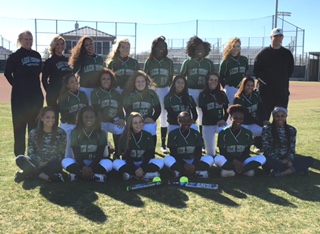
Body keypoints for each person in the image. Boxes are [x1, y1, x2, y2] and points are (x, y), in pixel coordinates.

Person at [4, 30, 43, 156]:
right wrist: (17, 86)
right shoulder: (15, 56)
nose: (29, 41)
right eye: (26, 39)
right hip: (20, 99)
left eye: (30, 39)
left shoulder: (37, 55)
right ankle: (20, 156)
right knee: (20, 127)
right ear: (20, 40)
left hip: (36, 97)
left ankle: (33, 154)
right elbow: (7, 73)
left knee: (35, 128)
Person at [15, 107, 67, 183]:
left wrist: (46, 161)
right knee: (20, 159)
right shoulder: (33, 133)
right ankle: (48, 178)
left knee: (55, 165)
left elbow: (61, 153)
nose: (51, 120)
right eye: (47, 117)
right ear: (42, 118)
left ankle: (28, 173)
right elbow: (31, 152)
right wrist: (40, 162)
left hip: (52, 164)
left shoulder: (61, 132)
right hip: (36, 162)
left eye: (53, 117)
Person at [61, 106, 113, 182]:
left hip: (96, 162)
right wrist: (84, 167)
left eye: (92, 117)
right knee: (65, 161)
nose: (89, 119)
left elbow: (100, 154)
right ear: (81, 118)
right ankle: (95, 176)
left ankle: (78, 175)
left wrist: (91, 167)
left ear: (96, 118)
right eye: (86, 117)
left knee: (108, 163)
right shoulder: (75, 132)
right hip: (80, 162)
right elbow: (76, 153)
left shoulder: (101, 133)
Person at [253, 28, 294, 119]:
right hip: (265, 93)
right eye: (275, 36)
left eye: (280, 36)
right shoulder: (263, 53)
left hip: (281, 92)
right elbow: (256, 71)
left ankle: (278, 134)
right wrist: (265, 82)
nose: (278, 39)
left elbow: (290, 71)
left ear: (282, 38)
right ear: (271, 37)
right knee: (263, 119)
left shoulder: (287, 54)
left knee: (280, 120)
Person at [215, 104, 266, 177]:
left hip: (243, 160)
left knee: (262, 157)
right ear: (230, 118)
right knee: (217, 158)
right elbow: (223, 152)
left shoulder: (247, 133)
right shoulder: (223, 133)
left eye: (241, 118)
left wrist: (239, 162)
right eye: (235, 118)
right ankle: (244, 170)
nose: (238, 121)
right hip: (228, 161)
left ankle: (235, 170)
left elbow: (246, 152)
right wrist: (234, 161)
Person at [261, 107, 313, 177]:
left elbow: (292, 148)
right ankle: (296, 170)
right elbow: (266, 149)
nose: (280, 118)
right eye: (277, 116)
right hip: (273, 159)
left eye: (282, 116)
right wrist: (280, 161)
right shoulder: (267, 129)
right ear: (273, 117)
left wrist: (288, 160)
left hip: (287, 158)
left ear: (286, 116)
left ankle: (281, 173)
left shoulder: (291, 129)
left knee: (310, 160)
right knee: (265, 161)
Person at [180, 36, 215, 141]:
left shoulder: (209, 63)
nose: (200, 51)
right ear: (192, 50)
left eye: (202, 49)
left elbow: (213, 78)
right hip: (190, 90)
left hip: (204, 92)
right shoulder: (187, 62)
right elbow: (181, 77)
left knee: (203, 115)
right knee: (190, 114)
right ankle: (189, 137)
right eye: (197, 49)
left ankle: (202, 139)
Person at [144, 36, 174, 154]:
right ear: (154, 48)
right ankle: (147, 142)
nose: (161, 48)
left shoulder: (169, 62)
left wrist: (167, 88)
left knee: (164, 116)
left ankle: (163, 144)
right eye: (159, 46)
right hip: (152, 90)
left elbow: (170, 78)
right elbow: (145, 77)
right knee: (150, 114)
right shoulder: (149, 61)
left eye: (163, 46)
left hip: (164, 89)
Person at [113, 112, 164, 180]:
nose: (138, 125)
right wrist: (135, 169)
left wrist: (141, 168)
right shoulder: (124, 136)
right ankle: (146, 174)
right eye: (135, 123)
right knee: (115, 163)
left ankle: (131, 175)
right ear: (131, 124)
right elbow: (126, 156)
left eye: (140, 122)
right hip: (130, 163)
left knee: (160, 162)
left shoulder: (148, 135)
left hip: (143, 162)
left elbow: (149, 155)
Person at [164, 111, 214, 178]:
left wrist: (193, 165)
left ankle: (181, 172)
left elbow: (198, 152)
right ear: (179, 121)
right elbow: (173, 153)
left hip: (192, 160)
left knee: (210, 158)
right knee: (167, 159)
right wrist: (184, 164)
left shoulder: (196, 133)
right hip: (179, 161)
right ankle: (196, 172)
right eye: (183, 121)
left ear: (191, 121)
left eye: (188, 121)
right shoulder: (173, 134)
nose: (186, 123)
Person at [91, 68, 125, 159]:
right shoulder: (96, 92)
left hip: (113, 121)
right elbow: (98, 112)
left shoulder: (116, 93)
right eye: (103, 79)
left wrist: (122, 119)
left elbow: (120, 109)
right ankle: (108, 148)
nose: (106, 81)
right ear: (100, 80)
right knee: (104, 154)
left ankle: (118, 152)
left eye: (108, 79)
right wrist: (113, 121)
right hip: (101, 122)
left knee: (121, 129)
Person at [122, 70, 161, 144]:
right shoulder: (129, 94)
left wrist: (152, 118)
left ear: (146, 82)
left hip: (147, 120)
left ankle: (151, 151)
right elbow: (128, 110)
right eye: (138, 81)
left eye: (143, 81)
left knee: (150, 128)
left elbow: (158, 109)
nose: (141, 84)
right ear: (134, 82)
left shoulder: (152, 93)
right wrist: (137, 122)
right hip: (134, 121)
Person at [233, 76, 270, 149]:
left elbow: (261, 108)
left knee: (268, 131)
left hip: (254, 124)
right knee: (243, 146)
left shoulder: (255, 95)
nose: (250, 87)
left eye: (252, 85)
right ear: (243, 85)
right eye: (248, 85)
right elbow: (245, 116)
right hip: (244, 125)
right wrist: (259, 122)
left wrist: (265, 120)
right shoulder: (238, 98)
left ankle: (264, 148)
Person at [198, 72, 229, 156]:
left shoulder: (222, 94)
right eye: (211, 80)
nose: (213, 82)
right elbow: (205, 112)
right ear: (207, 81)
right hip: (208, 124)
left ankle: (225, 156)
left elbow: (227, 110)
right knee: (210, 153)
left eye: (215, 80)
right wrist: (217, 121)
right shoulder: (202, 94)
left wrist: (224, 119)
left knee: (228, 134)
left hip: (220, 124)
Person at [58, 73, 88, 158]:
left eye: (75, 80)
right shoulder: (64, 97)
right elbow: (65, 115)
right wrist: (78, 121)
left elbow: (86, 109)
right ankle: (68, 164)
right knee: (68, 148)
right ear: (67, 85)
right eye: (72, 82)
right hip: (68, 125)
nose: (75, 83)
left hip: (80, 124)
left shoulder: (82, 94)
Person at [68, 36, 104, 103]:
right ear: (83, 47)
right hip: (85, 89)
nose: (89, 46)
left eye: (90, 43)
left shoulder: (100, 58)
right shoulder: (81, 58)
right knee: (87, 110)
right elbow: (73, 72)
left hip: (98, 88)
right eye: (86, 45)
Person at [42, 35, 72, 114]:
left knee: (67, 119)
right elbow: (44, 79)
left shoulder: (67, 60)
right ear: (54, 45)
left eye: (62, 44)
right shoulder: (49, 61)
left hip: (66, 94)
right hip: (54, 95)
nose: (60, 46)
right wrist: (50, 92)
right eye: (58, 44)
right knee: (53, 120)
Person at [219, 37, 248, 105]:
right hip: (230, 89)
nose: (236, 49)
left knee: (242, 110)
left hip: (242, 89)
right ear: (230, 47)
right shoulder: (225, 61)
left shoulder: (244, 59)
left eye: (238, 46)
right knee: (231, 110)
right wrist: (226, 87)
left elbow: (245, 73)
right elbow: (220, 77)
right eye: (234, 46)